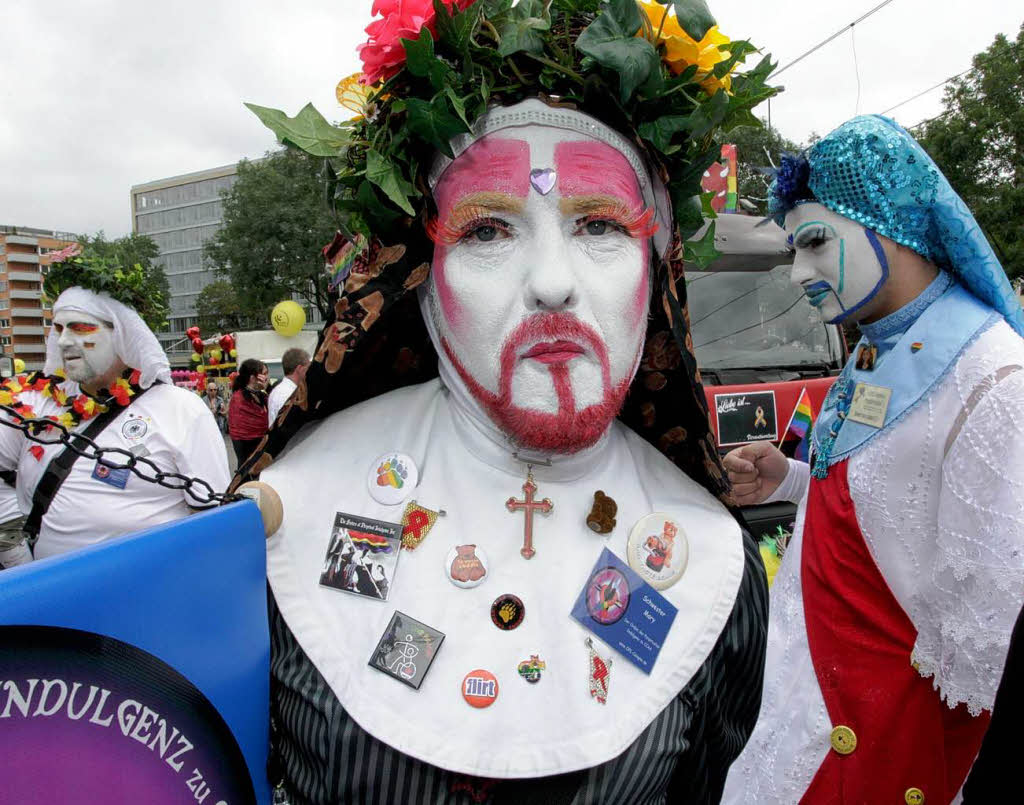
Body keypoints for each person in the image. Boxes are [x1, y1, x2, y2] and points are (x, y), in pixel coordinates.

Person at [234, 2, 776, 800]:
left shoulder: (713, 566)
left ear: (655, 272)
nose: (553, 281)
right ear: (422, 285)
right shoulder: (287, 517)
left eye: (598, 225)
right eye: (488, 231)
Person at [720, 116, 1024, 804]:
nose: (798, 272)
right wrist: (791, 479)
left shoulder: (995, 381)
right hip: (807, 707)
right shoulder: (871, 350)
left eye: (817, 242)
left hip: (881, 747)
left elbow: (989, 656)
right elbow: (891, 513)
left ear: (893, 224)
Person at [0, 246, 231, 567]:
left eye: (80, 328)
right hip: (46, 601)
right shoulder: (33, 402)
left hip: (142, 598)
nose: (65, 341)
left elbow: (213, 523)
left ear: (122, 334)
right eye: (59, 328)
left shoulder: (181, 409)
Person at [227, 358, 268, 466]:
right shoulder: (239, 398)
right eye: (263, 374)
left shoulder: (261, 395)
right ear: (253, 378)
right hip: (246, 451)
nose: (266, 377)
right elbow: (241, 430)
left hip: (262, 449)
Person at [266, 347, 309, 426]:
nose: (308, 371)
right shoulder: (288, 393)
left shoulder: (280, 390)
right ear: (299, 368)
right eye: (307, 367)